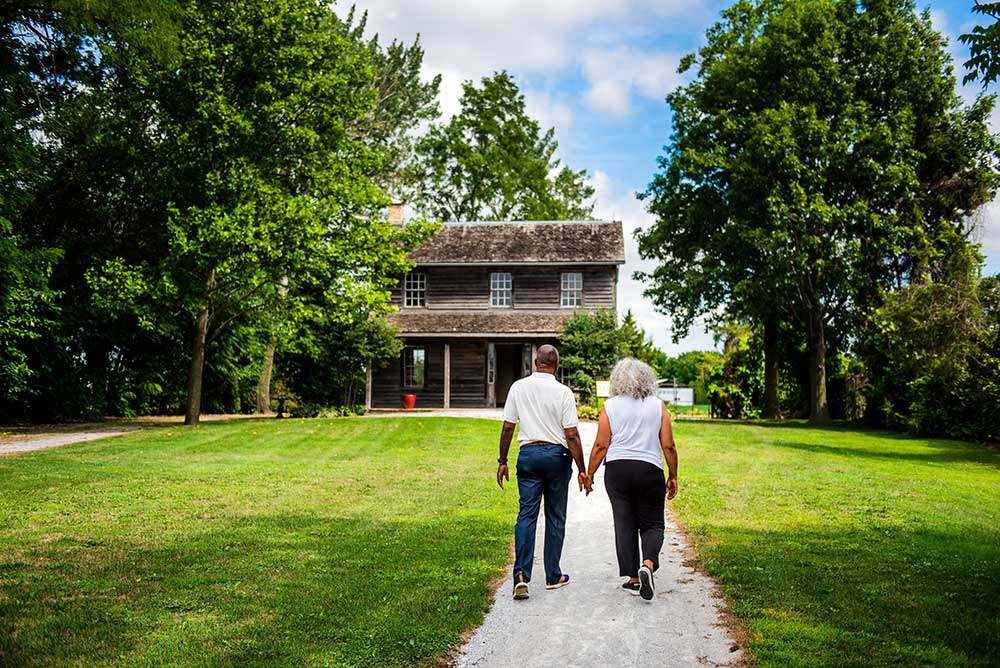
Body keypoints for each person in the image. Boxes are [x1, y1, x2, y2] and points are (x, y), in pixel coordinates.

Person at [496, 344, 588, 600]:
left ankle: (521, 576)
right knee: (555, 516)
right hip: (556, 458)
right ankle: (552, 575)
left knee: (526, 515)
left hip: (528, 456)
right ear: (556, 365)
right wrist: (582, 469)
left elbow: (507, 427)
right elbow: (571, 434)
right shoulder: (563, 392)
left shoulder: (518, 387)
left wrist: (502, 460)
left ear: (535, 362)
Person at [584, 358, 678, 601]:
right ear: (647, 379)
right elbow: (668, 445)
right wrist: (673, 474)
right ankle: (647, 563)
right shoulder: (658, 406)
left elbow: (600, 445)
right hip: (649, 470)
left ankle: (633, 578)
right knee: (653, 523)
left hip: (617, 470)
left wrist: (590, 473)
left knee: (624, 522)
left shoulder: (610, 406)